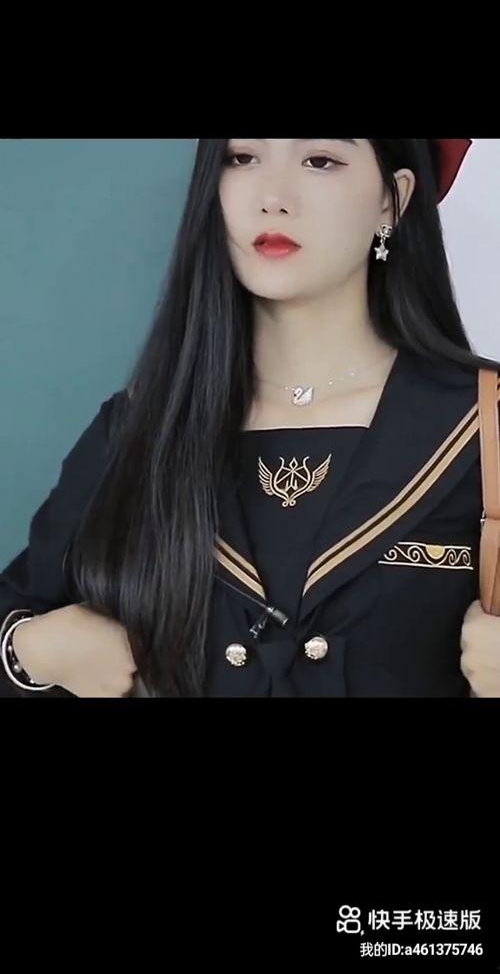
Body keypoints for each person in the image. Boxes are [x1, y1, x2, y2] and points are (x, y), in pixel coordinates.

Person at [1, 138, 499, 698]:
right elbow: (16, 612)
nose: (273, 197)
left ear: (394, 198)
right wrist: (28, 653)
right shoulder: (141, 429)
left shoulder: (484, 426)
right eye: (242, 158)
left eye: (320, 160)